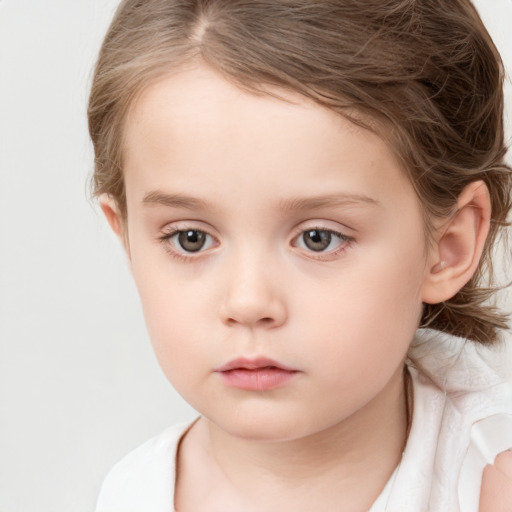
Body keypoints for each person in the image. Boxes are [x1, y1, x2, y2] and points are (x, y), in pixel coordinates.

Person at [88, 1, 512, 510]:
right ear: (127, 238)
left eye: (318, 238)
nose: (247, 302)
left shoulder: (490, 481)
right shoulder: (132, 493)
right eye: (190, 239)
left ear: (448, 247)